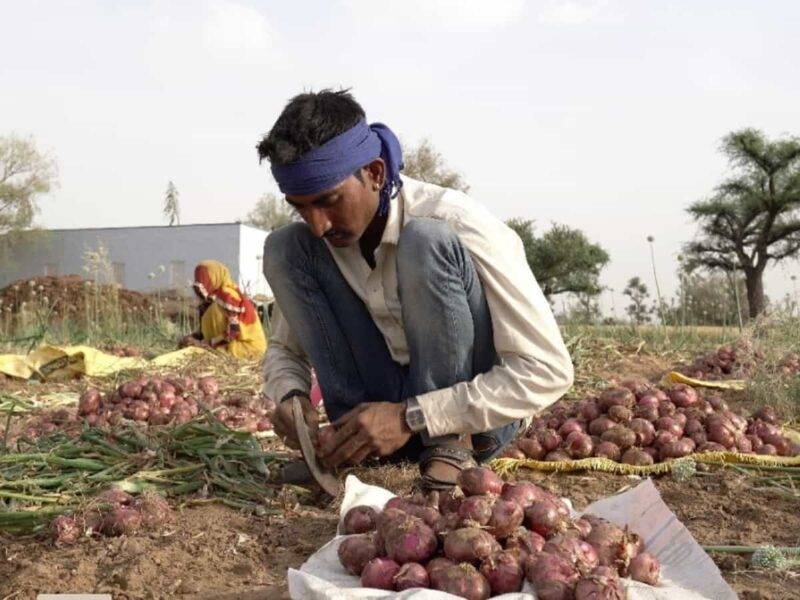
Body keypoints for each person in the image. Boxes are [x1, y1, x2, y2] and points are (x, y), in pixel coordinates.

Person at [258, 90, 573, 490]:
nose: (318, 224)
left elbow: (549, 370)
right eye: (301, 207)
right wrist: (291, 394)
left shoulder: (456, 220)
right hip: (378, 419)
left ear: (373, 172)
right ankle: (351, 443)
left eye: (329, 201)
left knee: (425, 241)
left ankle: (447, 448)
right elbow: (286, 349)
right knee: (285, 246)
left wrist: (412, 416)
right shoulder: (320, 241)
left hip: (472, 425)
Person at [180, 260, 267, 360]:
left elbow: (234, 331)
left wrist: (207, 344)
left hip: (247, 348)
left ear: (215, 277)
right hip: (222, 345)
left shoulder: (228, 296)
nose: (201, 283)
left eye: (205, 278)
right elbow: (204, 333)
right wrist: (191, 339)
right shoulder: (211, 300)